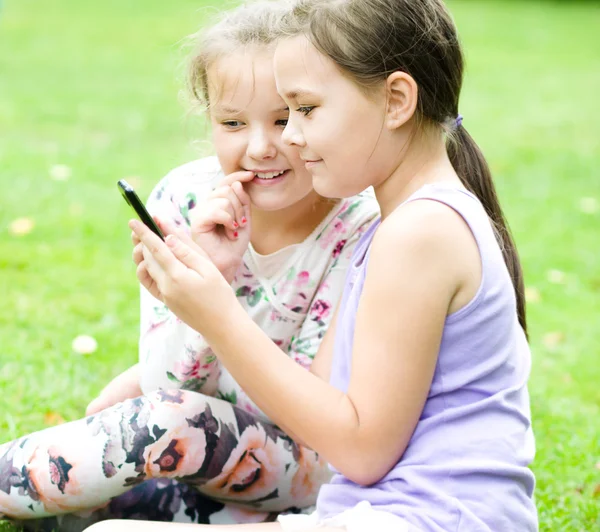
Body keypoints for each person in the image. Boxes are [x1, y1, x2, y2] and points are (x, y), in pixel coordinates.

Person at [89, 0, 539, 530]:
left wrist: (218, 314)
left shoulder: (421, 232)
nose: (292, 138)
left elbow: (362, 451)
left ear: (395, 101)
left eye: (303, 110)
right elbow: (312, 406)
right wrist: (204, 308)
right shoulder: (395, 228)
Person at [0, 1, 378, 529]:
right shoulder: (182, 198)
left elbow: (312, 416)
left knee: (160, 420)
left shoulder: (359, 227)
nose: (260, 147)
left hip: (310, 462)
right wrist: (208, 274)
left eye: (285, 118)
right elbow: (164, 380)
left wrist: (207, 307)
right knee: (105, 458)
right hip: (208, 450)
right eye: (232, 122)